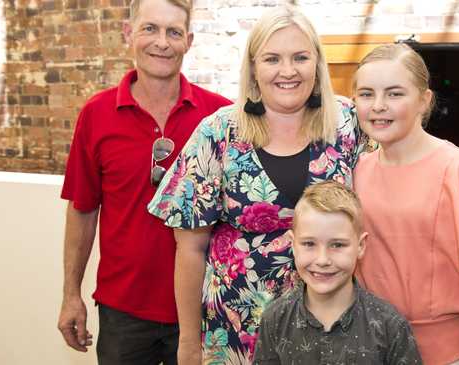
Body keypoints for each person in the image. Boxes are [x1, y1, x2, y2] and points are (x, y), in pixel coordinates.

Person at [147, 5, 367, 364]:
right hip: (234, 330)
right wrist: (188, 342)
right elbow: (189, 249)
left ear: (317, 64)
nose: (287, 71)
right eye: (272, 59)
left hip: (330, 328)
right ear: (253, 67)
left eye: (300, 57)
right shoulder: (218, 133)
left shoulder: (347, 124)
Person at [57, 0, 232, 363]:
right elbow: (83, 210)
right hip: (123, 311)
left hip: (204, 307)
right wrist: (71, 294)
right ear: (128, 34)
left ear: (189, 41)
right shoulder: (96, 114)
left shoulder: (219, 116)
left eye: (174, 32)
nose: (162, 42)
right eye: (149, 29)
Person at [352, 44, 459, 365]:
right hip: (363, 349)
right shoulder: (355, 172)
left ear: (424, 100)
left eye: (394, 94)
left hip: (442, 355)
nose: (378, 106)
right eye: (366, 94)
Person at [252, 181, 423, 365]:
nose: (322, 260)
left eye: (337, 245)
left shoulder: (390, 326)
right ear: (293, 244)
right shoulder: (275, 319)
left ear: (361, 246)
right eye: (309, 244)